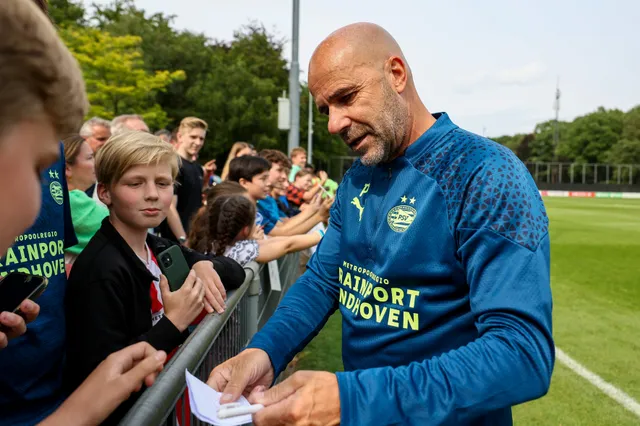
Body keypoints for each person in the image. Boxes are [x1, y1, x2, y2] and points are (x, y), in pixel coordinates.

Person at [207, 23, 553, 426]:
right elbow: (324, 280)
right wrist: (265, 351)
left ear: (396, 74)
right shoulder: (358, 177)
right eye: (325, 110)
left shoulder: (484, 172)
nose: (334, 123)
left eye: (347, 97)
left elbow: (521, 353)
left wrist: (354, 398)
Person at [0, 1, 167, 425]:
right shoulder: (103, 266)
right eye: (33, 166)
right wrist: (82, 412)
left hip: (47, 381)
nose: (38, 204)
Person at [64, 131, 245, 424]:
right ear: (105, 192)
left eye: (163, 183)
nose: (152, 194)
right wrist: (174, 323)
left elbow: (235, 271)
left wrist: (203, 265)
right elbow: (104, 380)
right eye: (135, 183)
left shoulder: (156, 245)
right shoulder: (101, 270)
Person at [187, 193, 323, 267]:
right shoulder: (241, 250)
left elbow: (277, 240)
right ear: (245, 230)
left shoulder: (207, 242)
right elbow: (287, 245)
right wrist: (327, 234)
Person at [158, 117, 208, 243]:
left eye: (201, 138)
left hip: (194, 236)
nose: (198, 142)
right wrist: (183, 239)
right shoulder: (173, 163)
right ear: (180, 137)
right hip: (174, 240)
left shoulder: (198, 168)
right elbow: (169, 206)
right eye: (193, 137)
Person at [62, 135, 109, 267]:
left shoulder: (58, 198)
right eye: (90, 158)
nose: (96, 163)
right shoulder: (73, 201)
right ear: (67, 169)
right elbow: (123, 227)